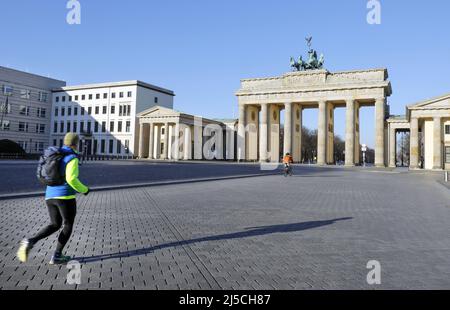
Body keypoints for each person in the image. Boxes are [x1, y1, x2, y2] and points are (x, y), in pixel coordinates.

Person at [17, 133, 90, 265]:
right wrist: (84, 189)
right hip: (65, 197)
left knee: (55, 224)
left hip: (50, 195)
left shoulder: (56, 154)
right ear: (75, 144)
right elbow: (71, 179)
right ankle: (57, 256)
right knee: (67, 224)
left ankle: (31, 241)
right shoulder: (71, 158)